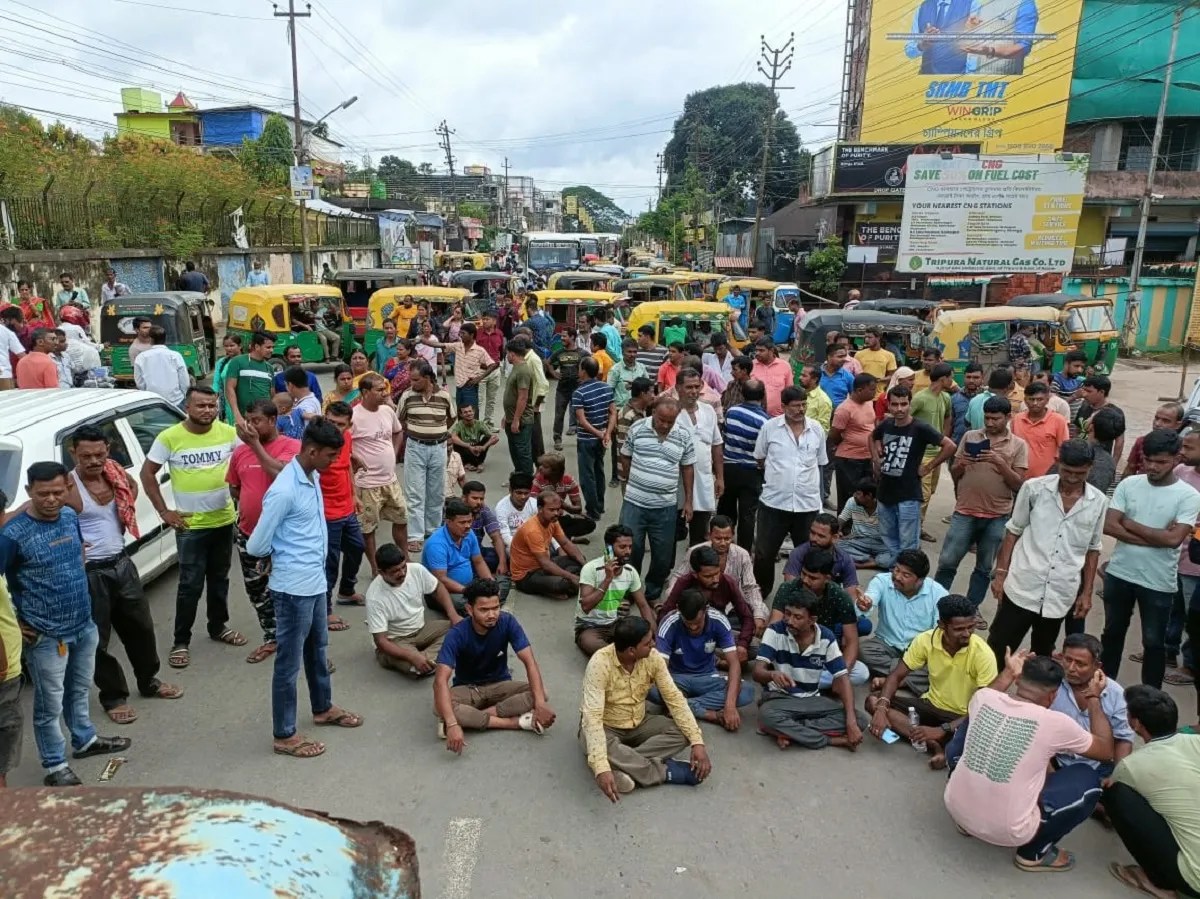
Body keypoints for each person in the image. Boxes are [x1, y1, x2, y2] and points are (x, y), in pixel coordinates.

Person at [1, 463, 132, 785]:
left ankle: (85, 740)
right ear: (30, 491)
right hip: (45, 634)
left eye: (58, 492)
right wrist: (14, 622)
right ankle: (55, 764)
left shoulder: (72, 518)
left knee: (79, 689)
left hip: (83, 624)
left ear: (68, 490)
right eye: (43, 493)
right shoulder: (12, 535)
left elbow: (78, 559)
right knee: (50, 704)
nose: (51, 499)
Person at [247, 419, 363, 759]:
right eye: (330, 455)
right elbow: (256, 545)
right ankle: (284, 734)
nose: (334, 462)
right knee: (288, 662)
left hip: (314, 584)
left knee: (317, 650)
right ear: (311, 451)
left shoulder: (311, 476)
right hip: (293, 588)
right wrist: (277, 555)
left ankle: (323, 707)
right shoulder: (284, 490)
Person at [943, 652, 1114, 874]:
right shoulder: (1055, 723)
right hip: (1008, 831)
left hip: (956, 808)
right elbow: (1105, 750)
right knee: (1087, 778)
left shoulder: (983, 698)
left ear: (1017, 680)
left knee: (969, 726)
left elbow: (990, 692)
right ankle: (1033, 853)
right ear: (1053, 696)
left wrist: (1007, 671)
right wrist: (1093, 699)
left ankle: (968, 821)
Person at [64, 427, 181, 724]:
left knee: (140, 628)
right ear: (73, 454)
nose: (93, 460)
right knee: (97, 640)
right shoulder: (67, 486)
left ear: (108, 450)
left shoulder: (115, 473)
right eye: (86, 455)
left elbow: (131, 489)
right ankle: (113, 695)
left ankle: (148, 681)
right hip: (89, 573)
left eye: (99, 454)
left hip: (122, 563)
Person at [141, 387, 244, 670]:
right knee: (190, 585)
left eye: (212, 406)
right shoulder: (170, 437)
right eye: (201, 406)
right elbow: (147, 474)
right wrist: (164, 511)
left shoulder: (227, 433)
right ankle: (181, 641)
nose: (207, 411)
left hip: (223, 521)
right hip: (190, 527)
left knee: (220, 579)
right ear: (187, 406)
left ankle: (218, 627)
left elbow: (245, 464)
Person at [987, 440, 1108, 662]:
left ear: (1090, 467)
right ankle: (987, 695)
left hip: (1061, 593)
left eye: (1079, 473)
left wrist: (1086, 593)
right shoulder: (1034, 489)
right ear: (1057, 463)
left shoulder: (1098, 502)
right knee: (997, 648)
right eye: (1067, 471)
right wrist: (1001, 573)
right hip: (1022, 586)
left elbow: (1093, 549)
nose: (1072, 478)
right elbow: (1013, 531)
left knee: (1042, 654)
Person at [1102, 428, 1200, 690]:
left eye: (1161, 462)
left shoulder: (1189, 496)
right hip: (1119, 574)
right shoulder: (1128, 484)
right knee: (1112, 634)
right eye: (1148, 460)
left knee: (1154, 643)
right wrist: (1156, 536)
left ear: (1176, 459)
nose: (1153, 467)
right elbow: (1110, 526)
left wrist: (1130, 523)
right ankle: (1105, 689)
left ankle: (1151, 697)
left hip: (1157, 582)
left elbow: (1173, 540)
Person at [580, 616, 710, 799]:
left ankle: (624, 763)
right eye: (648, 643)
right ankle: (664, 771)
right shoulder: (599, 664)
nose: (654, 645)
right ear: (632, 651)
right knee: (593, 741)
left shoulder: (653, 658)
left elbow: (674, 698)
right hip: (606, 726)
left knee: (684, 733)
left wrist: (697, 742)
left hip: (640, 721)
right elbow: (592, 718)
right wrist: (601, 769)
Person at [865, 594, 997, 768]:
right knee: (874, 701)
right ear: (942, 625)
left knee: (982, 738)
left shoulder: (983, 654)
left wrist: (943, 729)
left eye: (971, 627)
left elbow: (984, 707)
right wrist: (881, 709)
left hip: (964, 716)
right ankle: (935, 745)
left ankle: (938, 739)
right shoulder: (926, 640)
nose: (967, 634)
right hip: (931, 704)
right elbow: (896, 676)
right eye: (959, 629)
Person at [434, 578, 556, 752]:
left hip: (500, 685)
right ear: (469, 609)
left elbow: (529, 662)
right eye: (484, 610)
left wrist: (541, 705)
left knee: (541, 693)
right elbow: (439, 682)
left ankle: (473, 718)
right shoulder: (457, 633)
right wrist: (453, 724)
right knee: (439, 704)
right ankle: (513, 723)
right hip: (469, 689)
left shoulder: (507, 622)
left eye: (495, 608)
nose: (492, 615)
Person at [935, 396, 1028, 622]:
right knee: (947, 561)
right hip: (965, 510)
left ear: (1008, 417)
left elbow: (1019, 484)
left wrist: (999, 462)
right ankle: (936, 604)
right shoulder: (970, 436)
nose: (990, 422)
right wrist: (961, 465)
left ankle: (971, 608)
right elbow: (955, 473)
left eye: (995, 418)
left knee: (984, 567)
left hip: (997, 515)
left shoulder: (1018, 445)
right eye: (987, 417)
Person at [1104, 686, 1200, 898]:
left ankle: (1158, 882)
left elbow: (1110, 784)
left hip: (1195, 879)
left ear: (1135, 723)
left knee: (1116, 794)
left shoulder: (1131, 765)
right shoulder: (1196, 741)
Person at [226, 399, 300, 663]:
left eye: (256, 420)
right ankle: (272, 638)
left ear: (273, 420)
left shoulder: (292, 448)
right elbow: (234, 487)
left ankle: (304, 647)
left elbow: (280, 474)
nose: (250, 426)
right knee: (258, 591)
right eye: (248, 420)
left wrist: (255, 444)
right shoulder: (239, 453)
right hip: (248, 533)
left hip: (284, 537)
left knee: (293, 592)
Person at [754, 586, 868, 751]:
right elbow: (758, 672)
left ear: (812, 620)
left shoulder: (826, 637)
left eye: (797, 617)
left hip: (812, 700)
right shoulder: (775, 631)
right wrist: (772, 674)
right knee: (767, 714)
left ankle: (788, 730)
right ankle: (830, 741)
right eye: (787, 613)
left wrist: (851, 722)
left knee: (859, 720)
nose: (789, 620)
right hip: (779, 698)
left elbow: (842, 678)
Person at [752, 386, 828, 602]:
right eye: (795, 406)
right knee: (764, 553)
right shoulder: (770, 428)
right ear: (783, 407)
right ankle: (760, 594)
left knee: (809, 555)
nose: (800, 409)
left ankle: (805, 596)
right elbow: (760, 458)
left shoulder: (816, 430)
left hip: (807, 505)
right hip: (774, 503)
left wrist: (820, 502)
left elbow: (820, 465)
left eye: (804, 405)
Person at [620, 398, 696, 602]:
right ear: (653, 413)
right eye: (661, 420)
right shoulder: (637, 429)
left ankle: (652, 592)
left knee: (662, 555)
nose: (664, 425)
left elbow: (687, 467)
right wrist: (630, 481)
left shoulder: (683, 435)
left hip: (665, 507)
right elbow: (625, 456)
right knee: (629, 549)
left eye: (670, 422)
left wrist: (688, 501)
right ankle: (629, 590)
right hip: (634, 503)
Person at [871, 386, 956, 562]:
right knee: (887, 535)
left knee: (908, 540)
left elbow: (950, 446)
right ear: (889, 405)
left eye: (904, 404)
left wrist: (929, 466)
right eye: (895, 404)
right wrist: (876, 461)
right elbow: (872, 437)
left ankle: (907, 571)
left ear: (910, 404)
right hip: (885, 491)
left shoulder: (920, 427)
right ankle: (895, 569)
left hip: (909, 493)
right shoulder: (887, 424)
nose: (899, 409)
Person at [654, 588, 753, 730]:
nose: (693, 627)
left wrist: (730, 707)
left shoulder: (718, 620)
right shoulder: (669, 623)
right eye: (688, 623)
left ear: (706, 609)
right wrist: (672, 692)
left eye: (697, 622)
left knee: (747, 691)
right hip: (676, 679)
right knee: (649, 688)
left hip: (708, 677)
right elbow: (661, 669)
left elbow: (734, 664)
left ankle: (680, 706)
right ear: (678, 610)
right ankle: (707, 713)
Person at [771, 550, 869, 687]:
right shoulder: (788, 589)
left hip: (821, 656)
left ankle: (799, 683)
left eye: (812, 578)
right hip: (790, 653)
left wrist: (842, 678)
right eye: (803, 574)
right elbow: (774, 629)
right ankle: (802, 682)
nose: (805, 580)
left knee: (861, 673)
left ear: (827, 578)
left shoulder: (840, 596)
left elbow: (852, 641)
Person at [856, 550, 947, 693]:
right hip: (887, 644)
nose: (897, 577)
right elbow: (869, 599)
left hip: (920, 651)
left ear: (920, 580)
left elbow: (939, 633)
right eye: (896, 570)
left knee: (942, 665)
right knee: (862, 650)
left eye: (906, 575)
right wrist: (864, 605)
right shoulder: (882, 581)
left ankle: (894, 679)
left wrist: (923, 656)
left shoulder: (938, 594)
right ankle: (909, 678)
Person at [1051, 634, 1135, 783]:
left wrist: (1116, 777)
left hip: (1100, 767)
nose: (1071, 668)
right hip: (1054, 761)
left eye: (1080, 664)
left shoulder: (1115, 693)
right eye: (1067, 660)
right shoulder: (1051, 685)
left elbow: (1124, 739)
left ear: (1097, 666)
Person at [367, 543, 461, 678]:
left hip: (422, 629)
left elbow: (438, 587)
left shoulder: (416, 570)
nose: (402, 573)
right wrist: (411, 656)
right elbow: (381, 641)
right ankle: (434, 658)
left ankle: (427, 660)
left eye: (403, 567)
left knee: (461, 628)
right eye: (395, 571)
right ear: (381, 572)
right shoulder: (375, 597)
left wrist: (453, 614)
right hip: (396, 639)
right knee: (413, 666)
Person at [664, 514, 768, 634]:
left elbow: (750, 588)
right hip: (698, 606)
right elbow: (678, 577)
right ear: (709, 536)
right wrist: (673, 598)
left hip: (731, 608)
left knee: (753, 619)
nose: (723, 543)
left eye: (727, 538)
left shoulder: (743, 555)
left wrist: (758, 614)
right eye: (718, 538)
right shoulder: (695, 551)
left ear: (733, 536)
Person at [350, 374, 409, 574]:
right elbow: (343, 444)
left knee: (401, 518)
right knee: (368, 528)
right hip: (367, 484)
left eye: (384, 389)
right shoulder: (354, 416)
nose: (384, 393)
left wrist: (393, 450)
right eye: (379, 390)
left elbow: (398, 432)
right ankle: (376, 567)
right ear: (365, 393)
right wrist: (354, 459)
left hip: (390, 480)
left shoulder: (387, 411)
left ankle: (405, 558)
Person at [659, 544, 756, 659]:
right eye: (708, 576)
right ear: (695, 574)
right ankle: (713, 658)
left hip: (717, 632)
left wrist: (742, 646)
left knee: (756, 648)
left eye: (717, 573)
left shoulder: (728, 582)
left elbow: (746, 617)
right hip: (688, 633)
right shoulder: (683, 583)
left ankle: (706, 656)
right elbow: (666, 613)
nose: (715, 580)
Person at [396, 359, 454, 549]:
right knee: (415, 493)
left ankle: (433, 531)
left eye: (415, 380)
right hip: (415, 447)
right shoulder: (407, 396)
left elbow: (451, 418)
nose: (411, 383)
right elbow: (400, 420)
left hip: (439, 448)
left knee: (436, 492)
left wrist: (436, 431)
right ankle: (415, 535)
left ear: (428, 378)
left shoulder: (445, 396)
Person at [575, 524, 656, 656]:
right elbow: (586, 606)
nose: (628, 551)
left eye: (630, 547)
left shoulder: (630, 572)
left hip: (616, 624)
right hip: (590, 627)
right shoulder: (591, 569)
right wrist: (607, 579)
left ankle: (620, 654)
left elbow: (643, 606)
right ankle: (618, 655)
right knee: (596, 647)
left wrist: (653, 638)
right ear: (609, 548)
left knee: (643, 637)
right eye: (622, 547)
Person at [319, 402, 366, 615]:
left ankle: (346, 590)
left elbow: (346, 466)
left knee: (357, 547)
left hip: (347, 507)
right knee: (330, 562)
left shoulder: (346, 438)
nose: (334, 428)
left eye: (340, 424)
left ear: (348, 426)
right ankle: (325, 610)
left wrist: (354, 495)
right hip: (326, 513)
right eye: (330, 422)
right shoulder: (314, 442)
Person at [717, 379, 768, 551]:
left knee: (726, 509)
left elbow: (725, 438)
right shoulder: (765, 421)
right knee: (748, 515)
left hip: (728, 468)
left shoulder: (731, 412)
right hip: (751, 471)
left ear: (742, 394)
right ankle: (743, 551)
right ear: (763, 395)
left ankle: (722, 544)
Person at [674, 368, 723, 545]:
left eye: (697, 386)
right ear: (678, 388)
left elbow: (716, 445)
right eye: (689, 387)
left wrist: (720, 478)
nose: (693, 391)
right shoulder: (670, 413)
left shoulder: (708, 411)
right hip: (676, 485)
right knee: (672, 537)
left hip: (703, 482)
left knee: (699, 538)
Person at [509, 492, 587, 600]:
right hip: (527, 576)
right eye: (552, 510)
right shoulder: (532, 530)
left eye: (558, 509)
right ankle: (553, 587)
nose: (556, 513)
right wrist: (572, 577)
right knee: (563, 584)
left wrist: (586, 567)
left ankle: (559, 584)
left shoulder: (553, 521)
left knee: (580, 559)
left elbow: (565, 543)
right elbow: (545, 564)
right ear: (540, 509)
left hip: (544, 566)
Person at [423, 499, 493, 613]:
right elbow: (441, 579)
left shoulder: (469, 534)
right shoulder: (436, 544)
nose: (468, 526)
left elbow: (478, 562)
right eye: (462, 522)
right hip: (443, 591)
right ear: (448, 522)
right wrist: (468, 591)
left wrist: (491, 585)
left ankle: (483, 606)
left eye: (470, 521)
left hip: (468, 586)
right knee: (465, 604)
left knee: (501, 582)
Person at [910, 362, 953, 534]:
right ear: (943, 379)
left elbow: (947, 417)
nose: (952, 381)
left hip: (937, 453)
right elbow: (906, 419)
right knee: (923, 495)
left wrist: (944, 437)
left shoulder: (945, 398)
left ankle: (917, 528)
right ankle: (915, 529)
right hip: (922, 454)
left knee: (930, 492)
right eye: (950, 377)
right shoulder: (920, 398)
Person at [573, 356, 617, 521]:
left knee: (587, 475)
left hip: (586, 439)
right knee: (599, 470)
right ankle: (600, 504)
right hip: (602, 438)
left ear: (583, 371)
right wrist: (606, 433)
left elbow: (582, 421)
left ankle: (592, 511)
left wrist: (598, 433)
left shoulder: (579, 393)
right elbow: (613, 412)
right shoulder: (606, 388)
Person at [830, 373, 878, 512]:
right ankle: (844, 529)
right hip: (849, 460)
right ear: (859, 390)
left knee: (866, 496)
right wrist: (849, 443)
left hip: (866, 458)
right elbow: (834, 434)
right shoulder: (844, 409)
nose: (875, 392)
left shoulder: (868, 403)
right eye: (872, 389)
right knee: (849, 497)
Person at [531, 452, 597, 540]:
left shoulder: (568, 480)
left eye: (545, 467)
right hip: (543, 518)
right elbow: (532, 505)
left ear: (555, 470)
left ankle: (560, 537)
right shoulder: (538, 480)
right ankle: (564, 538)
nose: (540, 468)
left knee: (589, 523)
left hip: (557, 517)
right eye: (541, 465)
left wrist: (562, 504)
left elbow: (578, 508)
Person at [1012, 380, 1070, 480]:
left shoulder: (1059, 421)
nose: (1035, 403)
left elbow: (1064, 451)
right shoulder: (1017, 419)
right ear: (1025, 400)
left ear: (1047, 400)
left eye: (1039, 399)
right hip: (1020, 479)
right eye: (1031, 399)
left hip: (1047, 480)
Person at [223, 331, 276, 427]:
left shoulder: (270, 368)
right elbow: (229, 388)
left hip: (264, 422)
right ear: (256, 346)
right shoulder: (238, 362)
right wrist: (237, 415)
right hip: (244, 420)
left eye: (273, 347)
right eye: (268, 347)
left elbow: (272, 395)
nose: (271, 350)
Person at [502, 337, 536, 475]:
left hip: (522, 420)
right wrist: (507, 415)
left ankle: (527, 480)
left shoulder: (523, 371)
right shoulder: (516, 369)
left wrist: (516, 419)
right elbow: (514, 395)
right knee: (515, 451)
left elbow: (523, 397)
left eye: (507, 353)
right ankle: (519, 476)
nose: (506, 356)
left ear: (512, 354)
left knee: (522, 452)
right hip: (512, 417)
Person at [1124, 403, 1186, 479]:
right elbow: (1130, 468)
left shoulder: (1184, 449)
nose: (1157, 424)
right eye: (1156, 418)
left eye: (1166, 421)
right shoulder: (1141, 441)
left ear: (1178, 425)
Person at [839, 480, 890, 568]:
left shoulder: (885, 506)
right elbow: (842, 518)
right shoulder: (852, 501)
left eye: (858, 493)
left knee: (897, 554)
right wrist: (838, 530)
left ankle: (863, 563)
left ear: (869, 496)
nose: (855, 495)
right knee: (837, 545)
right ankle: (872, 560)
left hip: (881, 543)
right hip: (859, 540)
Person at [548, 329, 584, 450]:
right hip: (562, 390)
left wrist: (584, 378)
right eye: (562, 336)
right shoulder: (559, 353)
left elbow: (590, 363)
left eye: (565, 336)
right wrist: (553, 373)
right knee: (559, 415)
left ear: (573, 337)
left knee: (580, 416)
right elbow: (547, 362)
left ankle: (582, 440)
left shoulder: (582, 353)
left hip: (578, 390)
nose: (562, 339)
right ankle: (557, 439)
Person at [1077, 374, 1125, 466]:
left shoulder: (1115, 412)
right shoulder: (1084, 406)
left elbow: (1119, 442)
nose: (1084, 394)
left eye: (1089, 391)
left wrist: (1113, 465)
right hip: (1080, 457)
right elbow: (1077, 430)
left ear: (1102, 392)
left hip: (1099, 460)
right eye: (1084, 390)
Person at [750, 337, 794, 417]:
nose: (757, 353)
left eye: (761, 350)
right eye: (756, 350)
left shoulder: (785, 366)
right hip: (755, 415)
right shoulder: (751, 365)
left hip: (778, 416)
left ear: (771, 351)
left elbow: (789, 391)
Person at [450, 404, 498, 472]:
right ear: (461, 415)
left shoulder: (480, 424)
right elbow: (452, 437)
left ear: (474, 412)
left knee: (487, 438)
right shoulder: (459, 425)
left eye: (470, 411)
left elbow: (495, 438)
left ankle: (472, 464)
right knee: (455, 442)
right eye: (465, 412)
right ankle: (477, 463)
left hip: (478, 448)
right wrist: (469, 446)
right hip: (466, 449)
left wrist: (484, 446)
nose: (468, 414)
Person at [950, 363, 985, 444]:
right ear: (964, 377)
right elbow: (949, 424)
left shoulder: (988, 398)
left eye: (976, 377)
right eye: (968, 377)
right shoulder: (954, 398)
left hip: (981, 445)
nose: (971, 380)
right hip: (957, 445)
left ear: (982, 378)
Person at [856, 328, 897, 393]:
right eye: (865, 337)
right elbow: (854, 374)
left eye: (870, 337)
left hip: (879, 395)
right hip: (862, 395)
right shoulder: (859, 354)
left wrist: (879, 380)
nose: (866, 340)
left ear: (878, 338)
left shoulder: (889, 355)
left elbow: (892, 376)